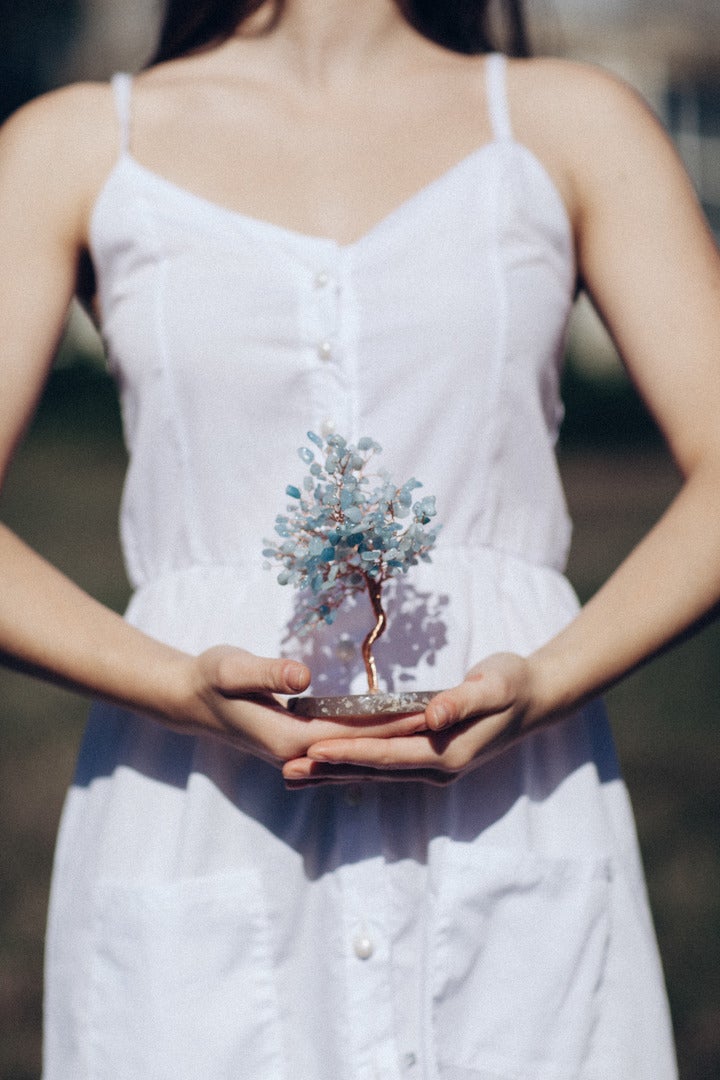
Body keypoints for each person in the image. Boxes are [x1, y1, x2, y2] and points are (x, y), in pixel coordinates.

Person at [1, 0, 718, 1075]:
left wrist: (548, 681)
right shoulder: (79, 144)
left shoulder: (570, 126)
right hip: (197, 818)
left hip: (513, 812)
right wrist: (174, 683)